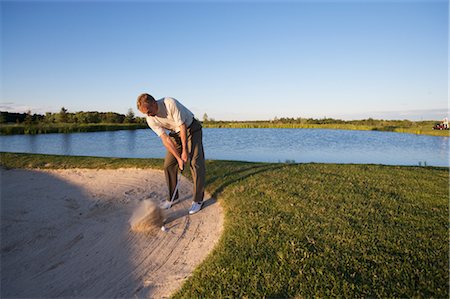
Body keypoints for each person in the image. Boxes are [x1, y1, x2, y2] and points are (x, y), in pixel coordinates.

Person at [137, 93, 205, 215]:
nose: (147, 115)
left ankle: (198, 200)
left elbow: (182, 127)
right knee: (168, 165)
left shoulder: (169, 103)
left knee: (195, 162)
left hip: (191, 129)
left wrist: (184, 151)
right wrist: (178, 158)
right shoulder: (150, 119)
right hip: (174, 134)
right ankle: (173, 197)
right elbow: (165, 139)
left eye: (148, 111)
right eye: (144, 113)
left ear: (154, 103)